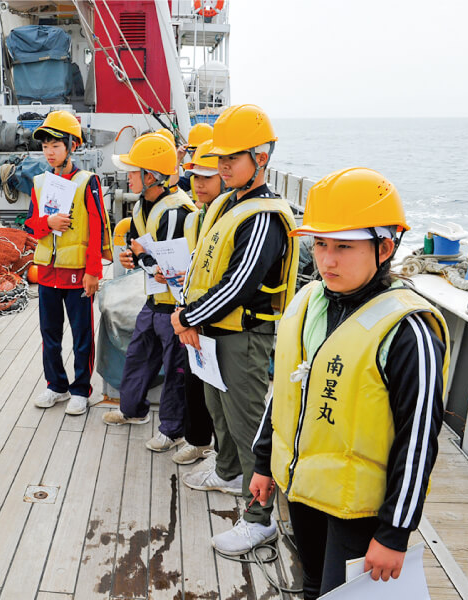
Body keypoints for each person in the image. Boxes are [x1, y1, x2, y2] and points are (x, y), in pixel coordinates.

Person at [249, 167, 449, 598]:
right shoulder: (309, 301)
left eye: (344, 246)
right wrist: (264, 462)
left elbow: (418, 439)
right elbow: (285, 390)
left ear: (385, 247)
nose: (326, 260)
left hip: (357, 510)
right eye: (320, 244)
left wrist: (395, 531)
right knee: (312, 584)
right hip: (302, 490)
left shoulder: (409, 332)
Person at [171, 104, 298, 555]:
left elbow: (241, 283)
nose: (223, 166)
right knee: (217, 409)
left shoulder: (262, 215)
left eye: (232, 157)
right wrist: (192, 314)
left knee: (246, 425)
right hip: (213, 332)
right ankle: (227, 472)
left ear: (260, 158)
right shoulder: (228, 201)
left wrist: (189, 315)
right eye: (219, 157)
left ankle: (259, 517)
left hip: (242, 336)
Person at [102, 132, 196, 453]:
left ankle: (172, 430)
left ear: (151, 176)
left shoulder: (173, 212)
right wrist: (132, 255)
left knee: (175, 370)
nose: (127, 177)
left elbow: (163, 267)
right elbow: (139, 249)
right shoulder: (145, 204)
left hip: (175, 307)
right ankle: (133, 410)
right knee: (138, 355)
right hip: (155, 300)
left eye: (133, 171)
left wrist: (139, 256)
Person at [26, 110, 111, 416]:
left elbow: (98, 226)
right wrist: (48, 221)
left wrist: (93, 273)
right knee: (49, 334)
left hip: (77, 273)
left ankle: (81, 389)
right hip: (48, 272)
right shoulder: (38, 182)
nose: (49, 152)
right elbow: (31, 226)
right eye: (46, 146)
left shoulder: (88, 182)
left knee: (81, 334)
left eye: (56, 145)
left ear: (72, 146)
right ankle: (56, 386)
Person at [171, 139, 224, 465]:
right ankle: (199, 440)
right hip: (192, 311)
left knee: (223, 392)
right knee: (195, 381)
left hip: (217, 316)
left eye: (207, 176)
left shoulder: (232, 217)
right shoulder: (196, 217)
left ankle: (224, 456)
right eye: (194, 175)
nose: (197, 183)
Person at [176, 122, 213, 194]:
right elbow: (174, 186)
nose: (194, 155)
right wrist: (178, 159)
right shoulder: (193, 174)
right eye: (193, 151)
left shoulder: (221, 174)